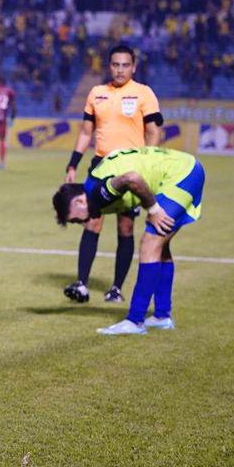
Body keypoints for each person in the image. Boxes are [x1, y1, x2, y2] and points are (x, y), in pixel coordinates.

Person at [52, 146, 205, 335]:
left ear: (79, 202)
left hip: (181, 175)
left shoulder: (97, 193)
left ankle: (135, 320)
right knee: (160, 246)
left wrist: (154, 209)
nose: (80, 223)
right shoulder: (94, 187)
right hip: (187, 168)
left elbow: (131, 178)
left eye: (74, 219)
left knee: (149, 243)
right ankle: (162, 316)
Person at [63, 44, 163, 304]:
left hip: (130, 170)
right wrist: (73, 163)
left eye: (125, 65)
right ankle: (82, 283)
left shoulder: (144, 93)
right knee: (92, 221)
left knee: (126, 226)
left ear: (134, 67)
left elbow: (153, 132)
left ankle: (116, 288)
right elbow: (86, 133)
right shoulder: (97, 93)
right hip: (99, 166)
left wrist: (147, 166)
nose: (120, 70)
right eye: (116, 65)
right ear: (110, 66)